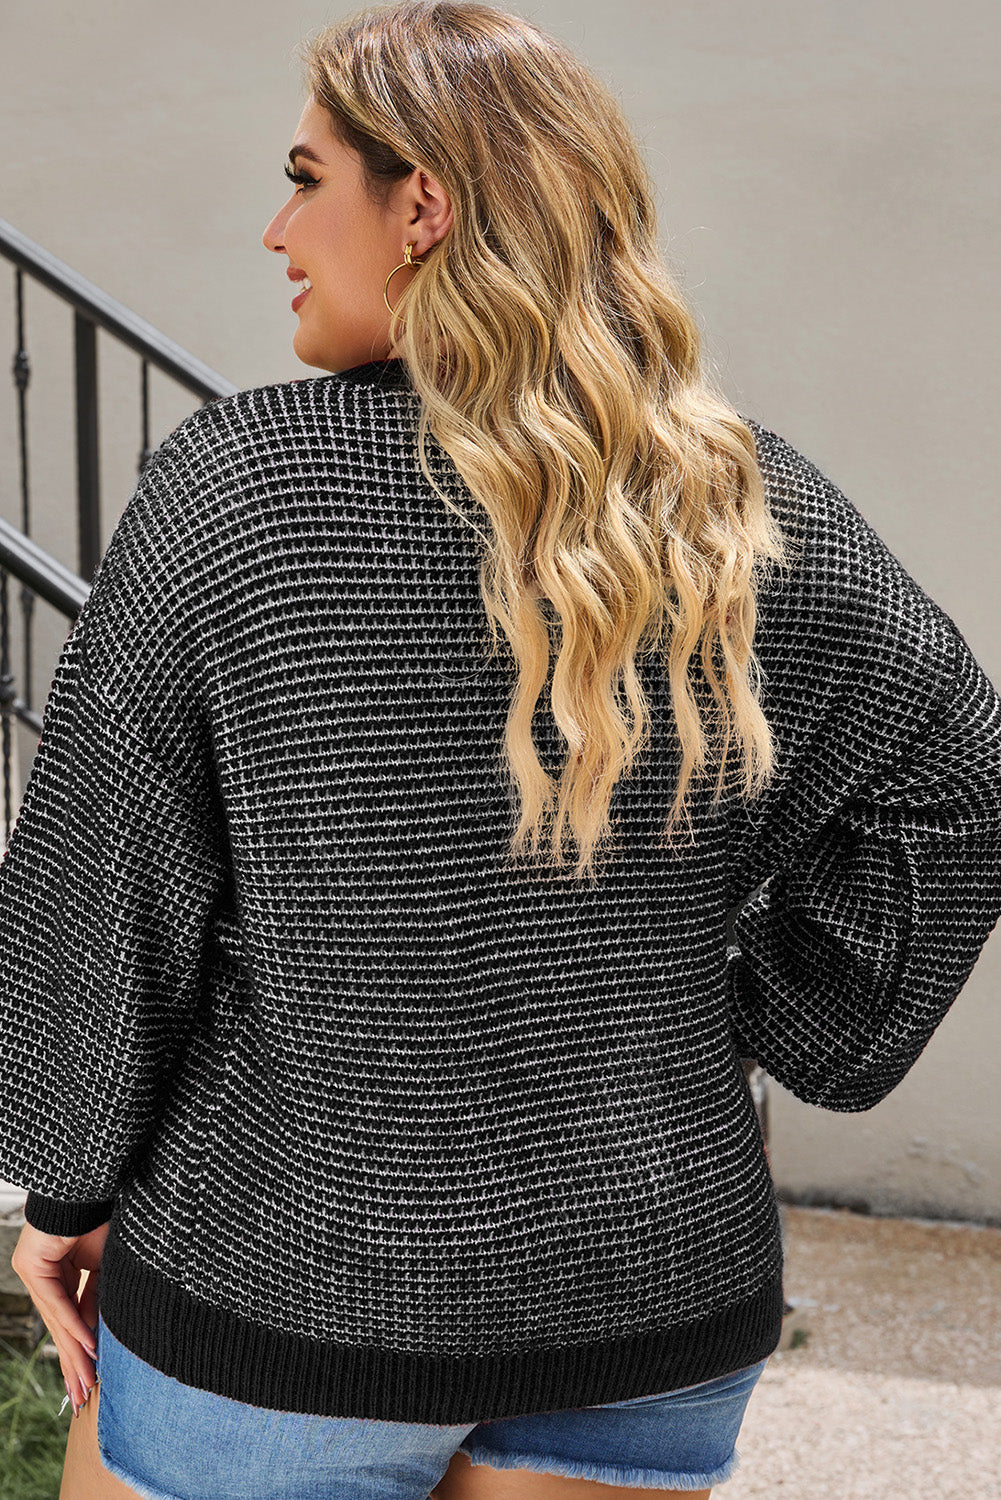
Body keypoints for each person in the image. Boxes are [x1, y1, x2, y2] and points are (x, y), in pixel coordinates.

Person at [3, 2, 1001, 1497]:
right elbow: (959, 776)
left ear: (422, 205)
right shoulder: (737, 502)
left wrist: (68, 1183)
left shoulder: (238, 489)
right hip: (652, 1294)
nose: (277, 230)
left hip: (285, 1295)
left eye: (305, 179)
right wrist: (760, 1020)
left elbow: (105, 888)